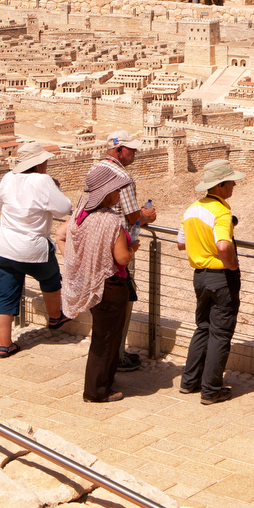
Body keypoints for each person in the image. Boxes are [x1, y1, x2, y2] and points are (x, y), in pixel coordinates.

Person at [0, 141, 74, 358]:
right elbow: (64, 208)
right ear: (38, 164)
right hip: (33, 247)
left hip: (3, 246)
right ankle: (55, 316)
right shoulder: (42, 180)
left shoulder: (8, 177)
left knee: (3, 295)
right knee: (51, 277)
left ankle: (4, 345)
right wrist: (53, 188)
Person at [62, 167, 134, 403]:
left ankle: (105, 381)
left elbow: (61, 236)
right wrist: (132, 249)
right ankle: (96, 391)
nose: (118, 195)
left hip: (90, 283)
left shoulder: (80, 214)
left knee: (105, 336)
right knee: (106, 339)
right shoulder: (110, 220)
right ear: (107, 193)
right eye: (116, 191)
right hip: (109, 285)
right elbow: (121, 258)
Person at [90, 130, 157, 374]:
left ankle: (107, 352)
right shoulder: (122, 176)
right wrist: (146, 216)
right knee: (121, 302)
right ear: (119, 150)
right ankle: (116, 356)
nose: (136, 152)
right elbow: (131, 216)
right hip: (118, 246)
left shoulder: (95, 169)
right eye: (132, 149)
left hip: (95, 242)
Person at [180, 159, 245, 404]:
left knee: (203, 328)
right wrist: (232, 264)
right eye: (231, 182)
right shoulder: (221, 211)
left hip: (199, 276)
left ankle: (189, 381)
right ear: (220, 186)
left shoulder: (191, 209)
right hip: (220, 277)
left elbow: (180, 243)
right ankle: (211, 389)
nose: (234, 185)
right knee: (220, 333)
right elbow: (223, 245)